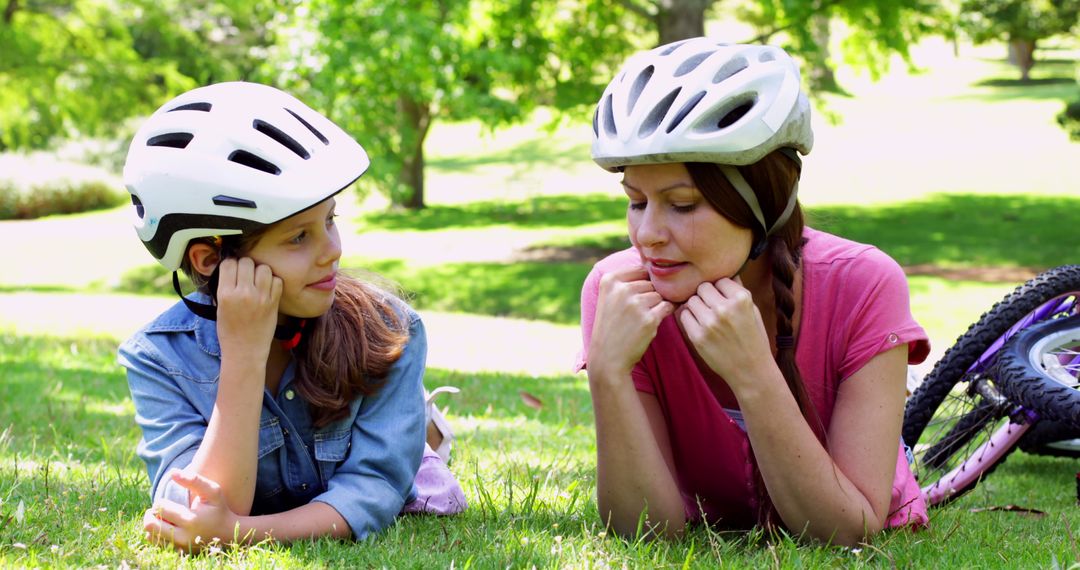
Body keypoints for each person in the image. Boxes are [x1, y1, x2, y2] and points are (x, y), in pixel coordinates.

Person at [575, 38, 930, 546]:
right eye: (636, 202)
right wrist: (608, 374)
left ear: (765, 202)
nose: (648, 233)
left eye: (681, 205)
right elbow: (647, 533)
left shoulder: (865, 283)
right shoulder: (617, 292)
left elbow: (846, 532)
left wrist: (753, 373)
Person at [117, 82, 465, 552]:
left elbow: (374, 492)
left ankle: (421, 433)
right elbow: (194, 506)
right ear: (209, 259)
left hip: (375, 391)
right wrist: (243, 356)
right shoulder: (156, 357)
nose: (334, 250)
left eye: (330, 219)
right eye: (298, 237)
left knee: (411, 470)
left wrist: (239, 534)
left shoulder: (392, 329)